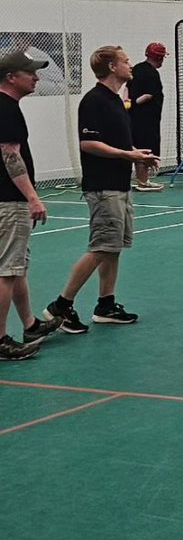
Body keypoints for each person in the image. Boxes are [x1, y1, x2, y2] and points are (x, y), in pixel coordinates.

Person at [43, 46, 158, 334]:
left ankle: (106, 305)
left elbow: (116, 141)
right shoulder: (93, 101)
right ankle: (61, 305)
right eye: (125, 61)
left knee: (113, 247)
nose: (130, 65)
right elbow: (89, 144)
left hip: (119, 185)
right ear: (111, 67)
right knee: (101, 247)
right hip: (102, 187)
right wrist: (127, 155)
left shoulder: (116, 100)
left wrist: (136, 153)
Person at [0, 49, 62, 360]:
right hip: (9, 201)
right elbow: (10, 155)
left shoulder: (8, 107)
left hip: (9, 200)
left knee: (17, 266)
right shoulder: (6, 109)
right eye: (30, 73)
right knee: (6, 270)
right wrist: (33, 197)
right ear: (11, 77)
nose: (36, 77)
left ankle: (30, 324)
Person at [129, 42, 168, 191]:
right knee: (145, 147)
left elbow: (127, 89)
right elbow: (148, 95)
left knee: (138, 145)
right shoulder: (152, 73)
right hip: (147, 119)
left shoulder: (137, 68)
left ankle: (142, 180)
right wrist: (135, 103)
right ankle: (143, 181)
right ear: (159, 58)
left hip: (133, 117)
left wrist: (128, 104)